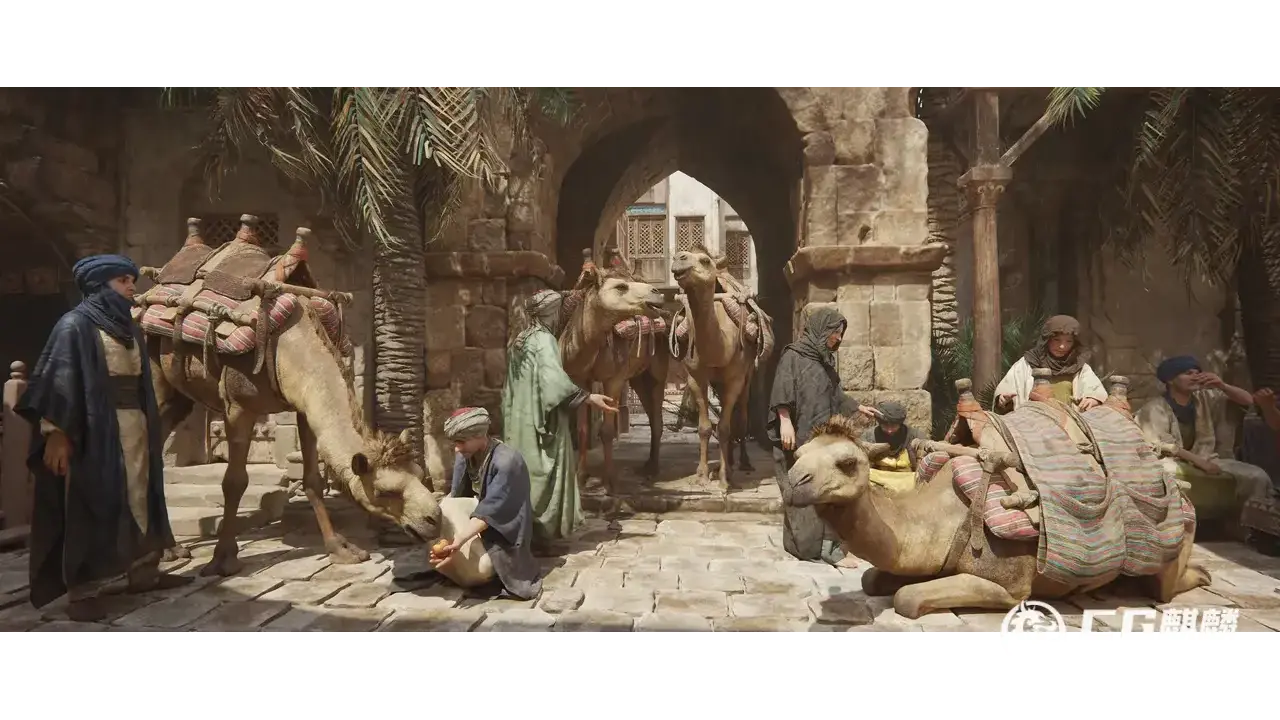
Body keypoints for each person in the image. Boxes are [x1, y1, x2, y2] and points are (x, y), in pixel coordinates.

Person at [15, 254, 191, 622]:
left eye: (131, 280)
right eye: (123, 281)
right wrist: (55, 434)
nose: (131, 287)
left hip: (136, 428)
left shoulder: (129, 328)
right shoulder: (73, 326)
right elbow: (56, 382)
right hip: (94, 431)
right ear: (100, 285)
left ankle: (144, 572)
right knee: (91, 503)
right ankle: (83, 590)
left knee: (141, 498)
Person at [500, 289, 617, 546]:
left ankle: (523, 532)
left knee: (524, 471)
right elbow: (554, 383)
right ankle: (542, 535)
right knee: (545, 472)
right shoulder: (545, 340)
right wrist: (589, 397)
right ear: (550, 314)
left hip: (519, 421)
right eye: (557, 312)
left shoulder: (520, 339)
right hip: (543, 422)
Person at [768, 306, 879, 565]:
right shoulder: (793, 356)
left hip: (821, 440)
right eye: (835, 332)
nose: (838, 338)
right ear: (821, 330)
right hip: (796, 438)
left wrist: (858, 407)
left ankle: (827, 547)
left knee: (825, 490)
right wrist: (784, 421)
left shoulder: (824, 361)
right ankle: (805, 546)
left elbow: (836, 395)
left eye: (840, 333)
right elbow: (782, 389)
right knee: (800, 490)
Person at [1135, 355, 1273, 536]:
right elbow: (1160, 445)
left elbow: (1249, 401)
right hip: (1172, 460)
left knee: (1258, 476)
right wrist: (1200, 463)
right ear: (1170, 380)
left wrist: (1222, 385)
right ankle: (1168, 530)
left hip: (1208, 457)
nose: (1195, 376)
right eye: (1188, 373)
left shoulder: (1206, 398)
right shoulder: (1155, 408)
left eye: (1197, 372)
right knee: (1163, 473)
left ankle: (1249, 530)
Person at [429, 407, 542, 600]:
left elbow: (490, 512)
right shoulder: (466, 455)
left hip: (505, 529)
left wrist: (458, 541)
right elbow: (456, 497)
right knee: (444, 508)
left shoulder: (507, 461)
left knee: (482, 569)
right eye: (455, 442)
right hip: (477, 517)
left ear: (480, 435)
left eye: (461, 442)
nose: (457, 448)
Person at [994, 315, 1107, 412]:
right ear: (1046, 340)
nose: (1062, 346)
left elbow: (1095, 392)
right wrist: (1003, 400)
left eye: (1069, 341)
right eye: (1057, 340)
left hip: (1068, 425)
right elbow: (1006, 393)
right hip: (1031, 424)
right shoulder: (1027, 363)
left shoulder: (1078, 365)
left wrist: (1093, 399)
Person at [860, 400, 927, 494]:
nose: (889, 430)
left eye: (894, 426)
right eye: (885, 426)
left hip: (909, 485)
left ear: (900, 424)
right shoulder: (868, 437)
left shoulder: (915, 436)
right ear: (879, 423)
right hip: (877, 485)